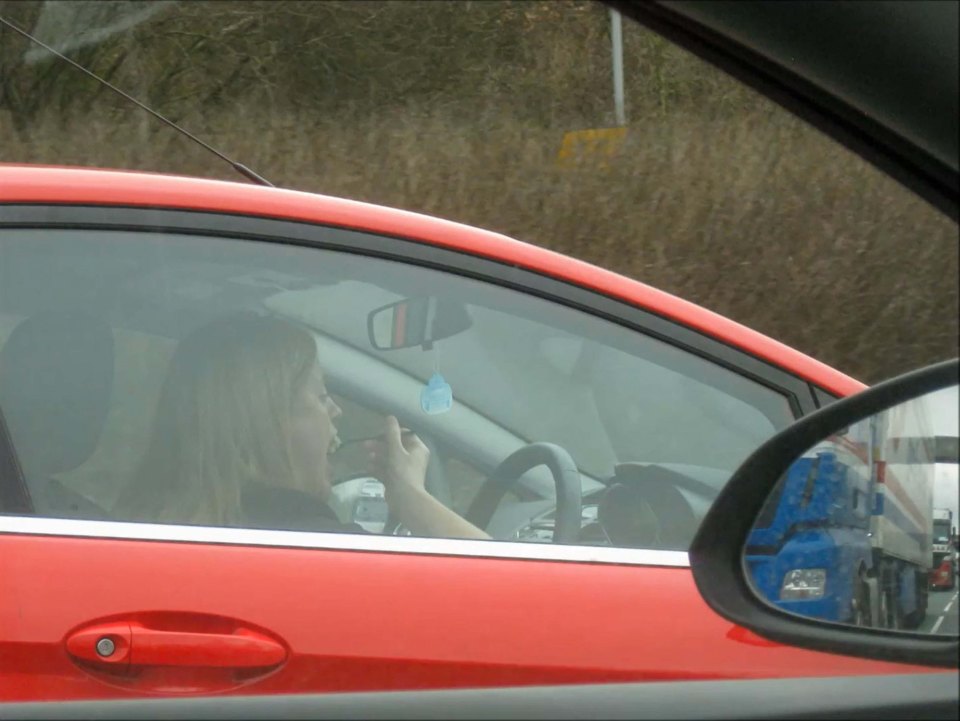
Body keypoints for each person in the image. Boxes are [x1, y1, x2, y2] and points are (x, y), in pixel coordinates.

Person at [114, 313, 489, 540]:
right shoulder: (318, 548)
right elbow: (513, 595)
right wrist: (412, 498)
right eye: (322, 397)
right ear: (267, 421)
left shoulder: (137, 527)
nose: (337, 412)